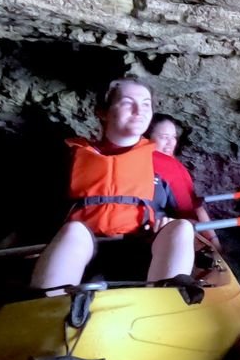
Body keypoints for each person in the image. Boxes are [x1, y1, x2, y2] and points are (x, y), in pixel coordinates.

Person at [30, 79, 211, 289]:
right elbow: (41, 213)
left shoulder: (165, 164)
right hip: (83, 247)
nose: (139, 111)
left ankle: (165, 301)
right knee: (73, 231)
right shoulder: (71, 157)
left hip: (142, 245)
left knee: (181, 228)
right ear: (103, 112)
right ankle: (49, 306)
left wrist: (168, 221)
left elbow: (190, 214)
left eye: (145, 104)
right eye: (127, 103)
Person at [147, 113, 222, 254]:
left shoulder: (131, 159)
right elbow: (189, 210)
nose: (171, 143)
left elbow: (195, 206)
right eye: (164, 137)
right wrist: (215, 244)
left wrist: (213, 239)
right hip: (160, 236)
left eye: (173, 137)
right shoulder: (166, 165)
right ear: (146, 138)